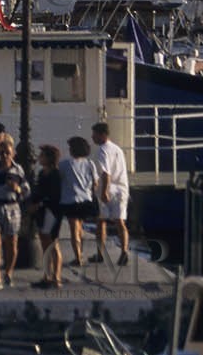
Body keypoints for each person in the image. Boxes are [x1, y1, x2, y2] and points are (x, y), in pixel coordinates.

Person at [0, 134, 30, 289]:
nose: (4, 156)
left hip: (12, 207)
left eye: (7, 153)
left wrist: (17, 189)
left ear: (13, 154)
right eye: (1, 153)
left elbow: (26, 191)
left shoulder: (18, 170)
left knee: (11, 243)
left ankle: (8, 272)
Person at [91, 121, 130, 269]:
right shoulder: (118, 149)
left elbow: (106, 174)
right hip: (122, 188)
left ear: (102, 135)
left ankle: (100, 254)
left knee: (101, 222)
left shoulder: (102, 150)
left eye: (94, 134)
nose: (92, 137)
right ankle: (124, 251)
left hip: (109, 189)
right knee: (120, 222)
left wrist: (104, 192)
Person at [58, 135, 97, 270]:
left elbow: (58, 179)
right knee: (80, 227)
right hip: (86, 199)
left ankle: (78, 257)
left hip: (71, 200)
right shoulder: (90, 163)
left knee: (74, 229)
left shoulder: (65, 164)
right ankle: (81, 252)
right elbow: (95, 183)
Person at [30, 144, 64, 288]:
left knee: (52, 242)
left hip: (52, 210)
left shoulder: (55, 174)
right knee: (45, 242)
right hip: (42, 211)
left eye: (42, 155)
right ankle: (47, 274)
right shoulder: (42, 173)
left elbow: (55, 195)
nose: (39, 157)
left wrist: (41, 203)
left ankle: (56, 276)